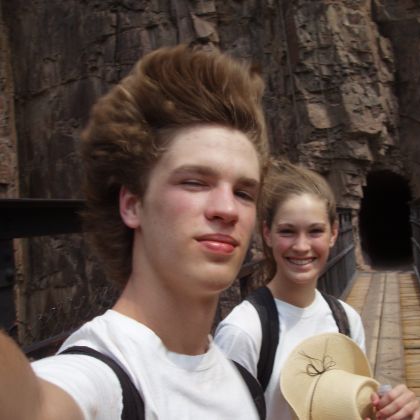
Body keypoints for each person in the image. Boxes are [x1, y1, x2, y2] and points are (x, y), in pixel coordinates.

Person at [0, 44, 269, 419]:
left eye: (243, 192)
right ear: (132, 204)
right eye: (194, 182)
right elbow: (35, 406)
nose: (226, 209)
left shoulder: (239, 377)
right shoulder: (103, 376)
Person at [214, 160, 420, 420]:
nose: (301, 246)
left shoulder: (346, 320)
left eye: (315, 231)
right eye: (288, 231)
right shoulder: (243, 332)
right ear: (267, 234)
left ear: (334, 233)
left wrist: (394, 409)